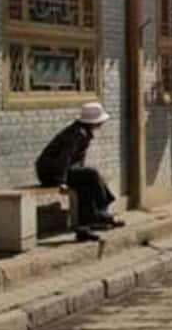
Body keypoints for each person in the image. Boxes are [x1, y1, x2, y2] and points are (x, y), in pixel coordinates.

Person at [36, 103, 123, 242]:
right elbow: (65, 157)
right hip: (50, 173)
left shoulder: (84, 132)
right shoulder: (77, 134)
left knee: (85, 188)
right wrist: (61, 181)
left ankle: (84, 229)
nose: (101, 124)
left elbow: (78, 161)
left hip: (62, 171)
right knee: (92, 174)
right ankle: (101, 211)